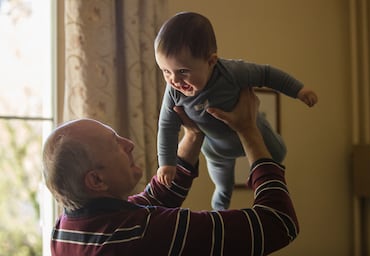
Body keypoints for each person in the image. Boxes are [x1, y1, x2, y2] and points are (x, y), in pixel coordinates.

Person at [42, 88, 299, 256]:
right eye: (115, 144)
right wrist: (248, 130)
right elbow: (278, 222)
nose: (129, 144)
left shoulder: (66, 229)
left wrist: (193, 134)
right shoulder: (144, 234)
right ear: (96, 180)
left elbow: (153, 199)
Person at [155, 11, 318, 210]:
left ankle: (258, 182)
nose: (174, 80)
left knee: (279, 153)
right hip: (217, 149)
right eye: (165, 71)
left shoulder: (232, 72)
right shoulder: (173, 92)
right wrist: (167, 163)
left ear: (211, 61)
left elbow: (267, 74)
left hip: (254, 129)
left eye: (183, 71)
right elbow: (166, 126)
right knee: (223, 185)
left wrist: (299, 90)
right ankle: (220, 209)